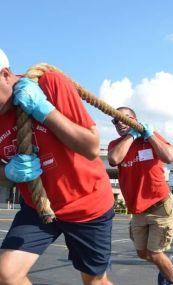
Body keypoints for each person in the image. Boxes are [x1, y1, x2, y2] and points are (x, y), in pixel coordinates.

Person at [0, 49, 115, 285]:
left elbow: (91, 146)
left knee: (94, 281)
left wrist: (44, 110)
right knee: (6, 274)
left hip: (86, 204)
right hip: (38, 207)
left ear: (5, 74)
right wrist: (8, 172)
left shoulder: (48, 83)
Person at [107, 107, 173, 285]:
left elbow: (170, 156)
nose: (120, 123)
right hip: (137, 208)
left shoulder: (150, 137)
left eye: (126, 118)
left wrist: (150, 136)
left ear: (135, 120)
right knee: (143, 253)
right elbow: (114, 159)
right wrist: (131, 136)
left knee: (154, 253)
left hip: (159, 204)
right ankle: (168, 262)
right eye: (116, 120)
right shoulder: (115, 144)